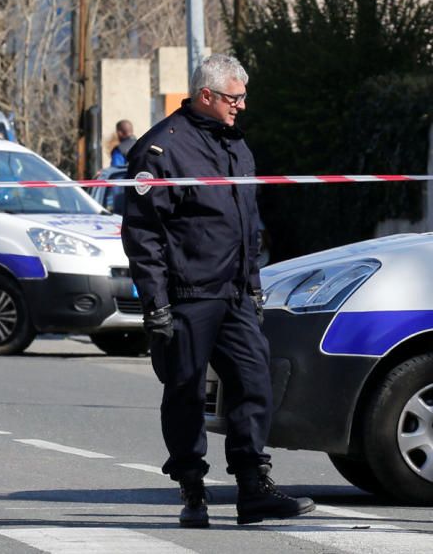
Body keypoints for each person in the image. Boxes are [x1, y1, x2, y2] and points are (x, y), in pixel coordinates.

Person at [121, 54, 314, 528]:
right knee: (185, 390)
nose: (242, 106)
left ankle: (252, 488)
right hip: (186, 295)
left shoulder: (235, 145)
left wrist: (252, 284)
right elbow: (143, 233)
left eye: (244, 96)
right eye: (234, 97)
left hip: (234, 293)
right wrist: (156, 302)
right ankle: (192, 488)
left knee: (254, 383)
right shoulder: (161, 150)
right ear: (206, 96)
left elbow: (246, 223)